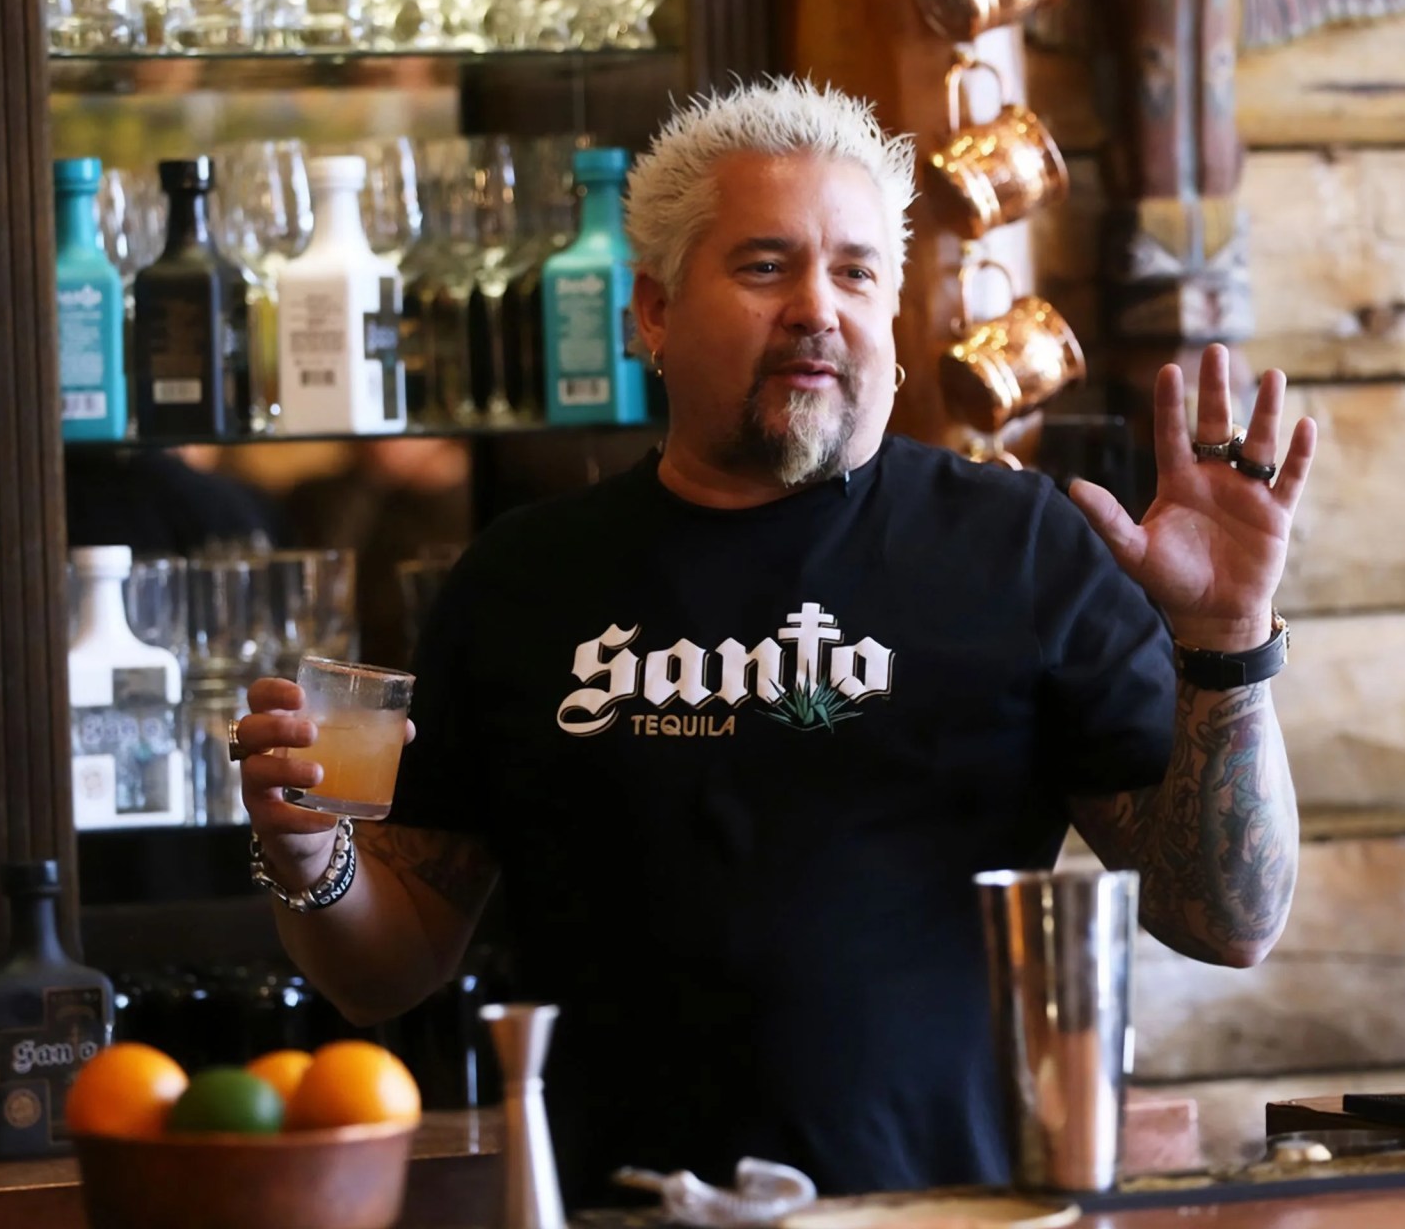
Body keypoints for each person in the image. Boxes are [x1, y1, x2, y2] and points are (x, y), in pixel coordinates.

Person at [230, 78, 1319, 1203]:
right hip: (618, 1210)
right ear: (652, 312)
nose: (816, 305)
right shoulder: (522, 579)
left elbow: (1225, 919)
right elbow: (388, 967)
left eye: (855, 271)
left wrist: (1228, 641)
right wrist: (311, 862)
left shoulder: (1018, 548)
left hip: (947, 1216)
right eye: (764, 266)